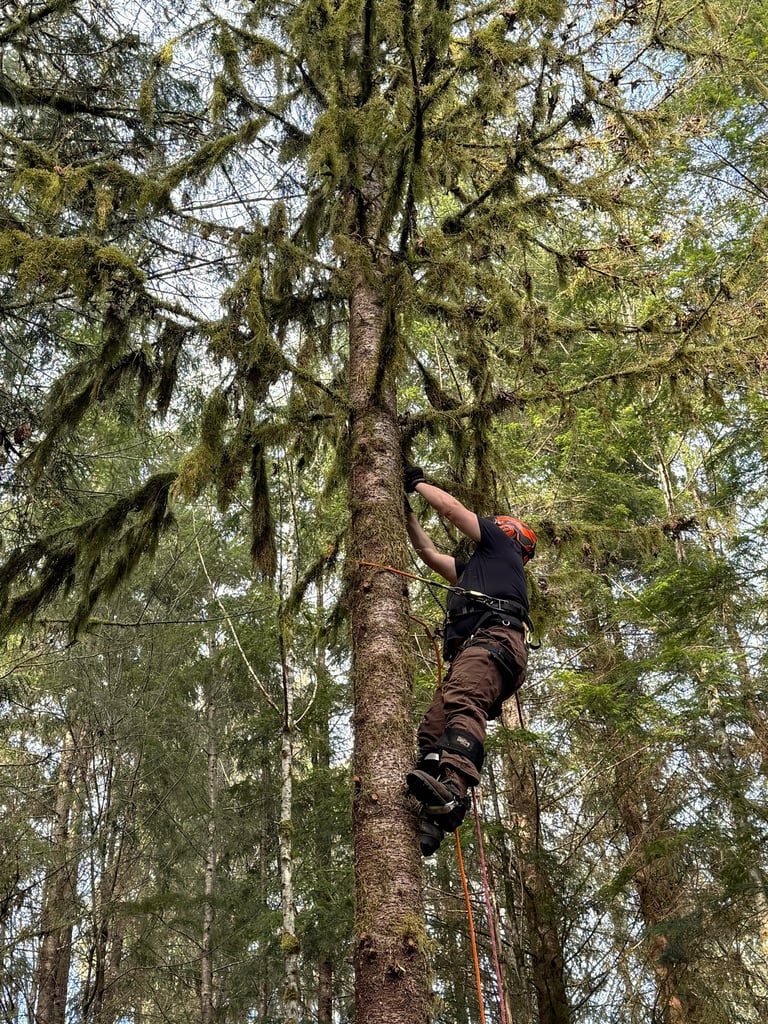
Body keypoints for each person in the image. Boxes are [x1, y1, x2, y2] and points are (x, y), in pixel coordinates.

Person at [403, 465, 536, 855]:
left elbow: (452, 510)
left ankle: (454, 790)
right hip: (482, 649)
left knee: (463, 701)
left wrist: (417, 483)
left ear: (509, 532)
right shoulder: (476, 570)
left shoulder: (502, 545)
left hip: (494, 641)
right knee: (433, 728)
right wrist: (406, 512)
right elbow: (428, 554)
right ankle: (431, 811)